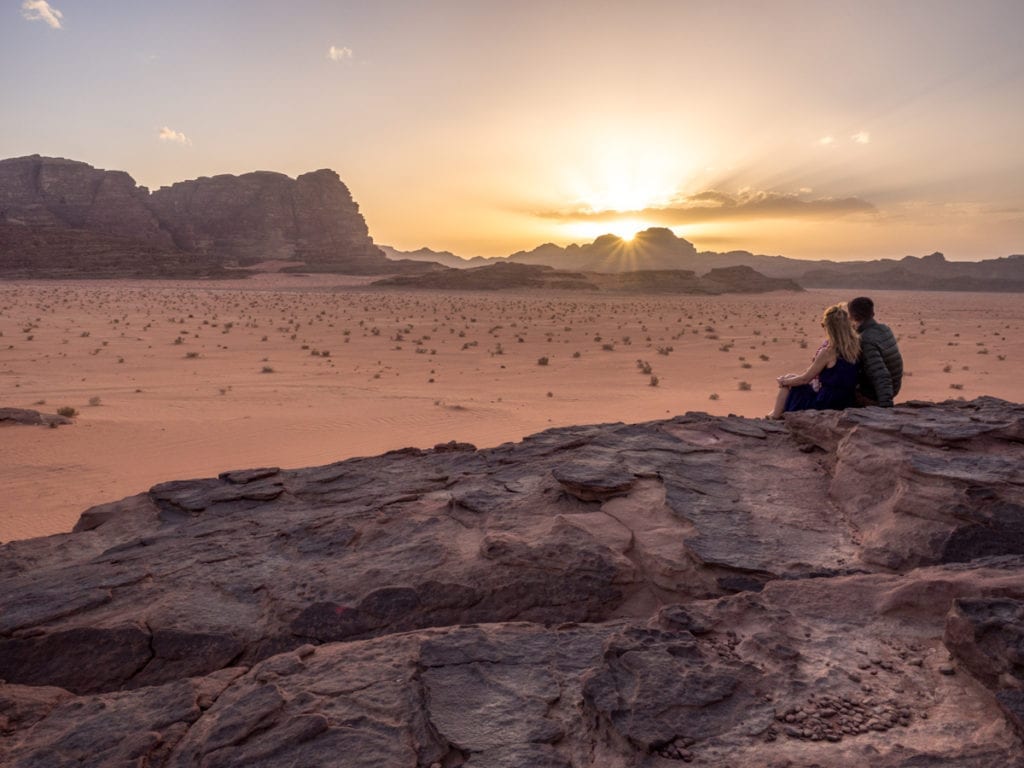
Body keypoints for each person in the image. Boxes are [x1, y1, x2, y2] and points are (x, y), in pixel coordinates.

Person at [767, 303, 860, 419]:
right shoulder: (855, 348)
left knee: (789, 382)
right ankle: (771, 415)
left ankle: (774, 418)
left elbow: (805, 379)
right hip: (846, 400)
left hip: (825, 403)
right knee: (791, 379)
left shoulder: (828, 352)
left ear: (829, 328)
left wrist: (783, 382)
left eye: (823, 325)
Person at [847, 296, 903, 407]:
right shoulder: (884, 329)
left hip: (874, 395)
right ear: (872, 313)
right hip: (893, 388)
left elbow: (880, 374)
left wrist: (885, 408)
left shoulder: (865, 339)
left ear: (852, 316)